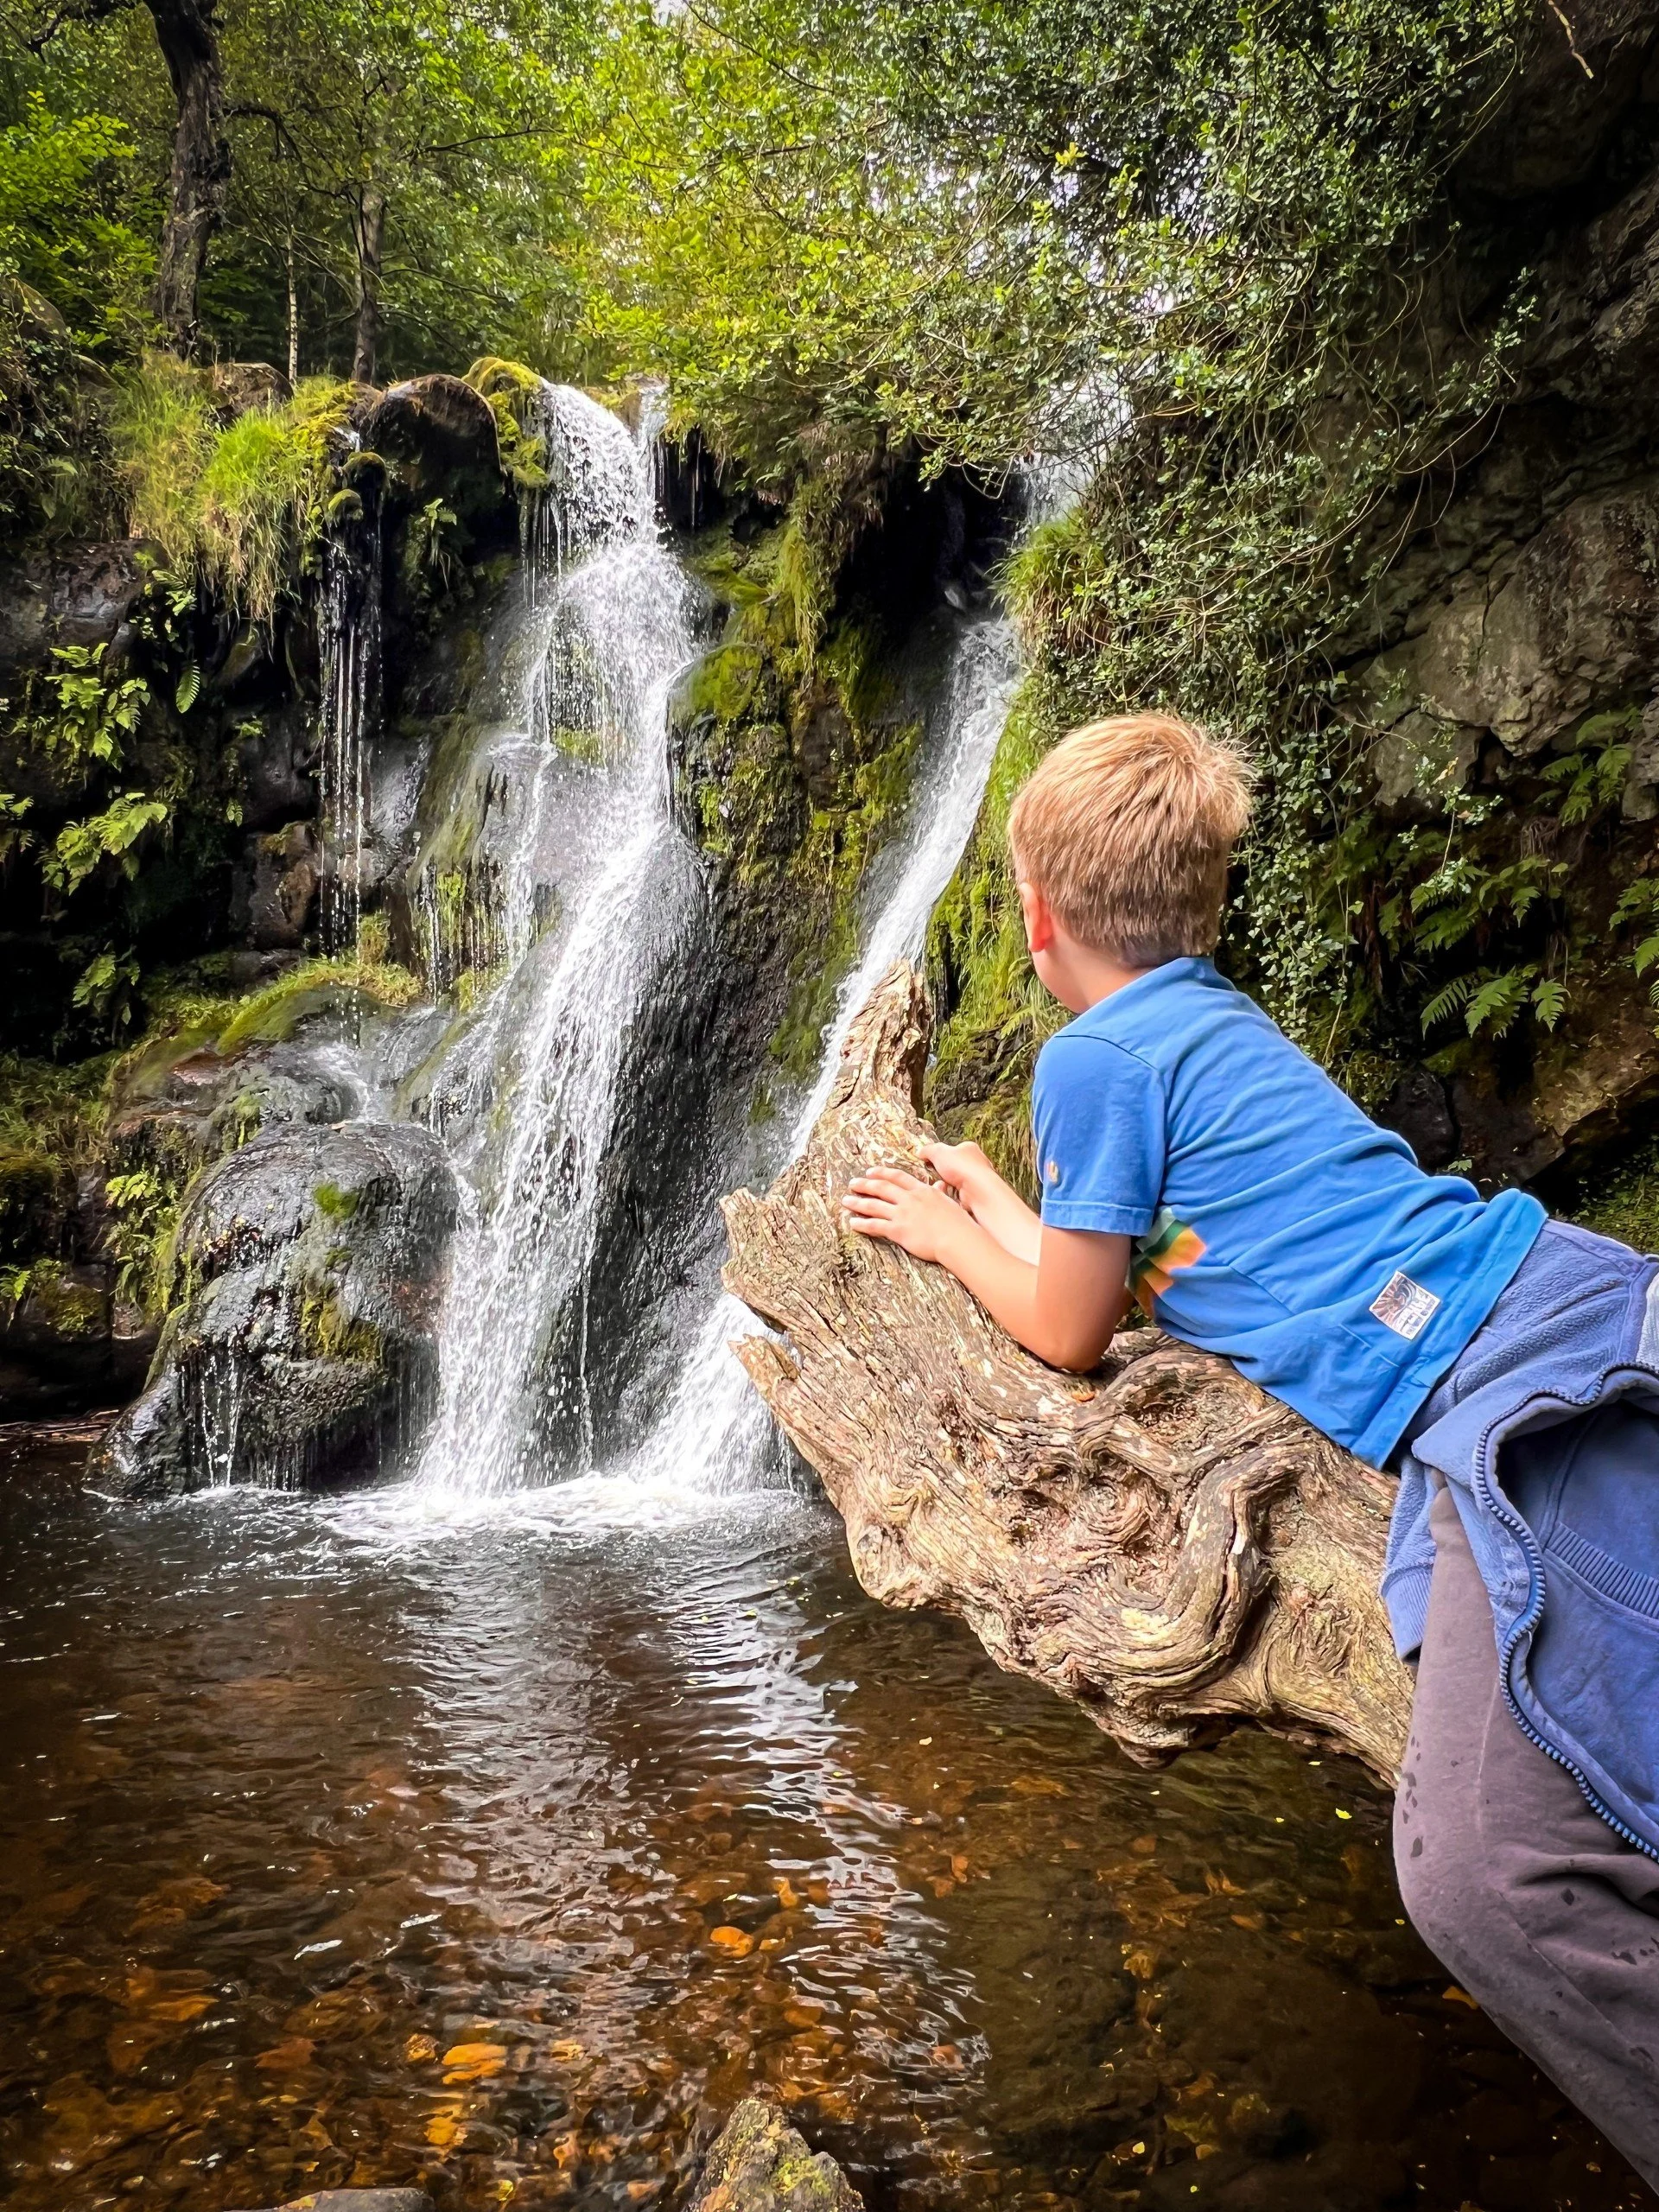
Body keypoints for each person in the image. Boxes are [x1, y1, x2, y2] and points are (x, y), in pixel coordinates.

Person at [844, 713, 1659, 2183]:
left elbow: (1070, 1333)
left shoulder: (1094, 1059)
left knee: (1486, 1880)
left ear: (1035, 914)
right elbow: (1132, 1273)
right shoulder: (1211, 1023)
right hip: (1571, 1308)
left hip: (1515, 1393)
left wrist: (954, 1239)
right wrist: (995, 1209)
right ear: (1205, 901)